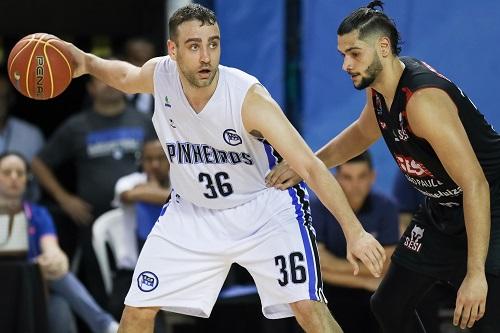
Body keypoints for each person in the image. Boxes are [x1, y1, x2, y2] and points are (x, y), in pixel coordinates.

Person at [57, 4, 386, 333]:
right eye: (194, 45)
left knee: (308, 309)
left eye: (213, 44)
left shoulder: (248, 97)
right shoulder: (160, 76)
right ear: (172, 50)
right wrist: (86, 62)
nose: (205, 57)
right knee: (137, 312)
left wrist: (354, 231)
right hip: (191, 211)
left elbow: (311, 167)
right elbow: (125, 77)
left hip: (263, 210)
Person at [266, 1, 500, 332]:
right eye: (342, 55)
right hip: (445, 208)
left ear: (383, 47)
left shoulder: (422, 103)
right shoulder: (379, 90)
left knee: (481, 316)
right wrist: (309, 165)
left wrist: (475, 273)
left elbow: (476, 184)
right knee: (389, 304)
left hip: (490, 204)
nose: (346, 64)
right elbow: (362, 133)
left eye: (354, 53)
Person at [31, 74, 155, 305]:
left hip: (140, 219)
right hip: (92, 218)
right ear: (90, 88)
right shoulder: (76, 125)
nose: (110, 84)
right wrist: (64, 199)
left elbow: (167, 159)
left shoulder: (144, 121)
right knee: (101, 289)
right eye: (101, 80)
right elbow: (39, 163)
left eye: (114, 79)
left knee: (146, 286)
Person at [0, 152, 119, 333]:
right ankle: (105, 325)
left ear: (27, 179)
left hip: (31, 281)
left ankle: (106, 326)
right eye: (7, 172)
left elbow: (51, 247)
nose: (14, 178)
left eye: (20, 173)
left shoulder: (37, 213)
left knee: (59, 304)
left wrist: (54, 258)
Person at [311, 151, 399, 332]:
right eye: (347, 177)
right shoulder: (317, 207)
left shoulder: (386, 207)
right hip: (331, 291)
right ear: (336, 179)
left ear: (372, 177)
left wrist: (332, 267)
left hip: (372, 292)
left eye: (361, 177)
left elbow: (387, 265)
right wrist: (364, 281)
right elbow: (317, 266)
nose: (355, 185)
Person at [0, 66, 45, 201]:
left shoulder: (32, 135)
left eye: (2, 97)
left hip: (23, 210)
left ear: (11, 99)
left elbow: (39, 182)